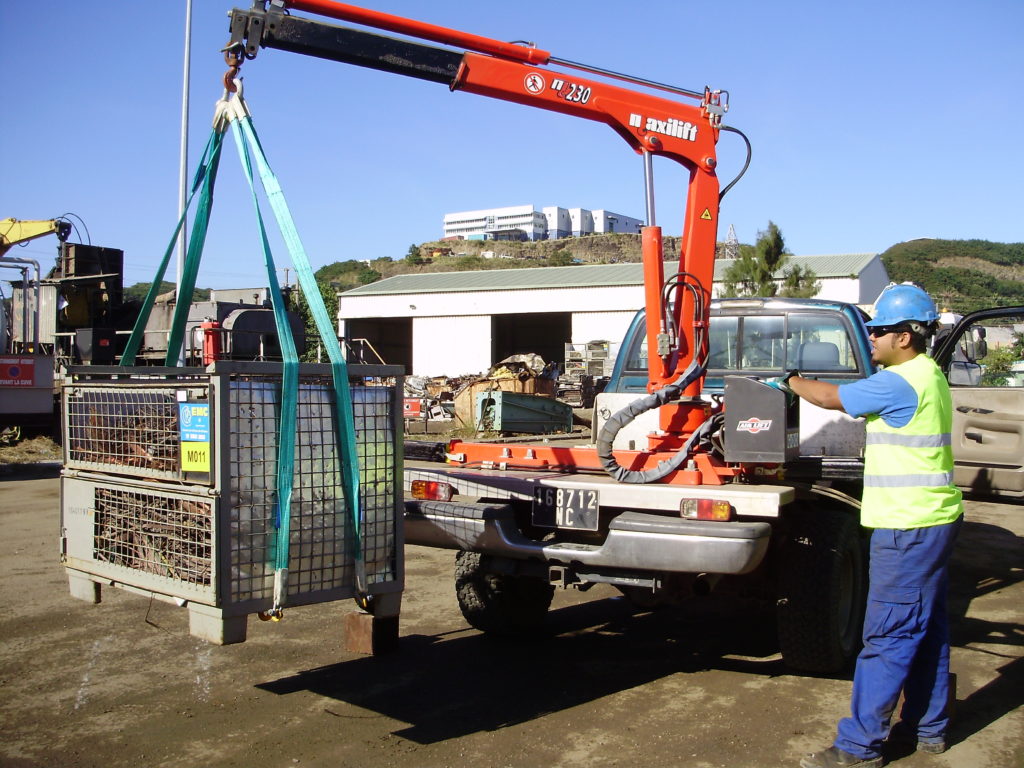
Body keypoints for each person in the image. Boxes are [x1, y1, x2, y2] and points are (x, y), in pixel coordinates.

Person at [769, 283, 965, 768]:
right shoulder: (930, 374)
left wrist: (789, 380)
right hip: (934, 519)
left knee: (888, 637)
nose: (871, 337)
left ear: (906, 336)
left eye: (878, 331)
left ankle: (859, 747)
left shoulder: (899, 381)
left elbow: (834, 397)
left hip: (907, 527)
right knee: (927, 628)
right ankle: (929, 727)